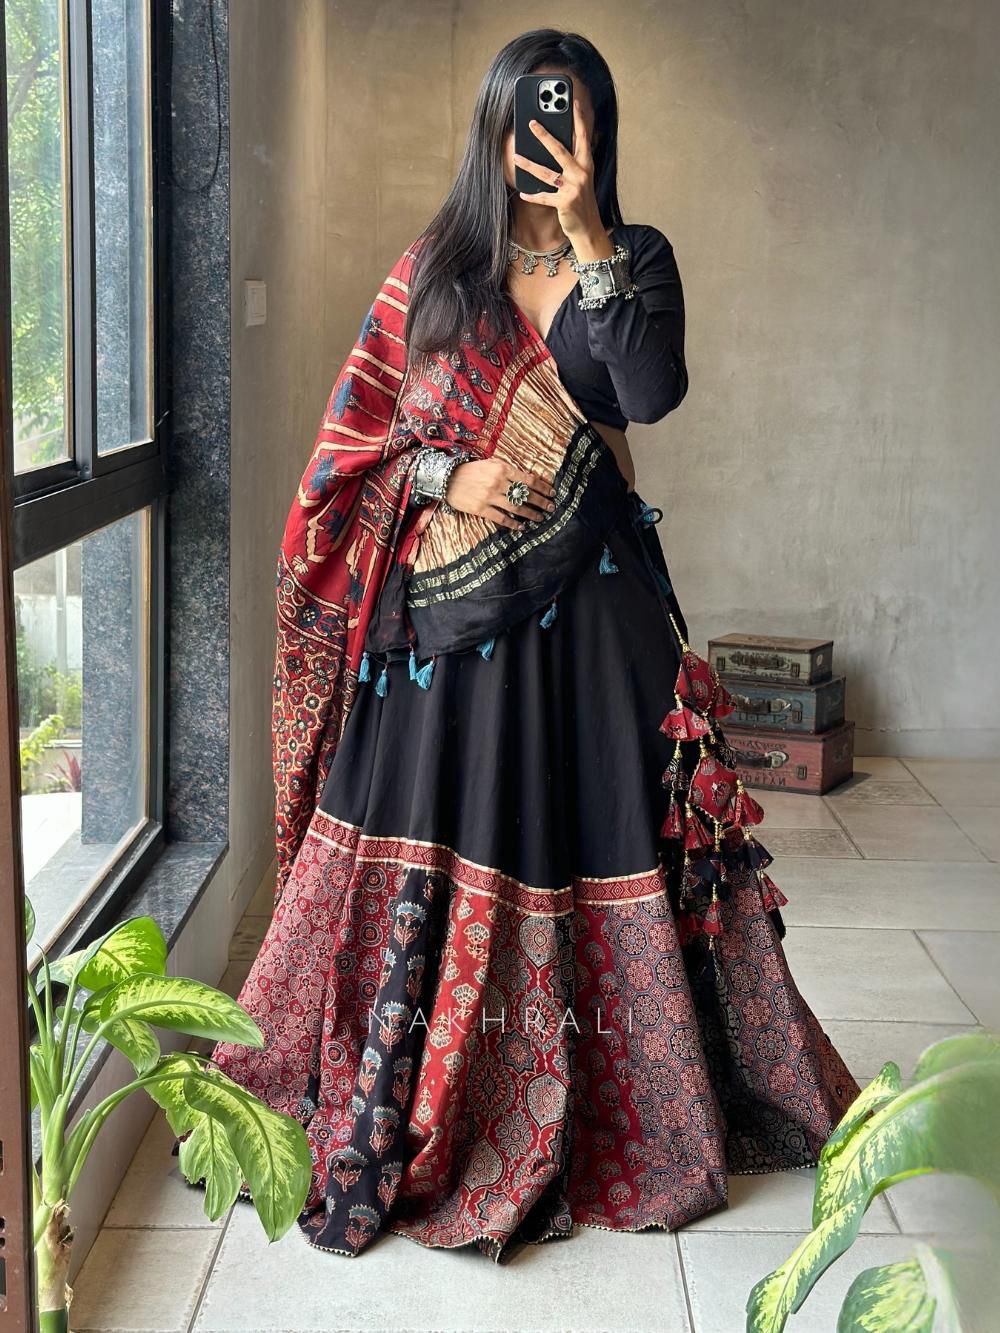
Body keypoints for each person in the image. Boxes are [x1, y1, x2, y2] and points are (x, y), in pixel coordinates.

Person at [201, 28, 859, 1261]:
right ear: (492, 133)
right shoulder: (437, 272)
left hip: (599, 624)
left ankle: (621, 1097)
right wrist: (448, 475)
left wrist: (592, 236)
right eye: (526, 120)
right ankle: (430, 1087)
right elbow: (357, 447)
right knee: (450, 829)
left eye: (571, 119)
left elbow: (648, 394)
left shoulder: (638, 257)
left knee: (600, 830)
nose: (545, 142)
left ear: (598, 133)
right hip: (446, 635)